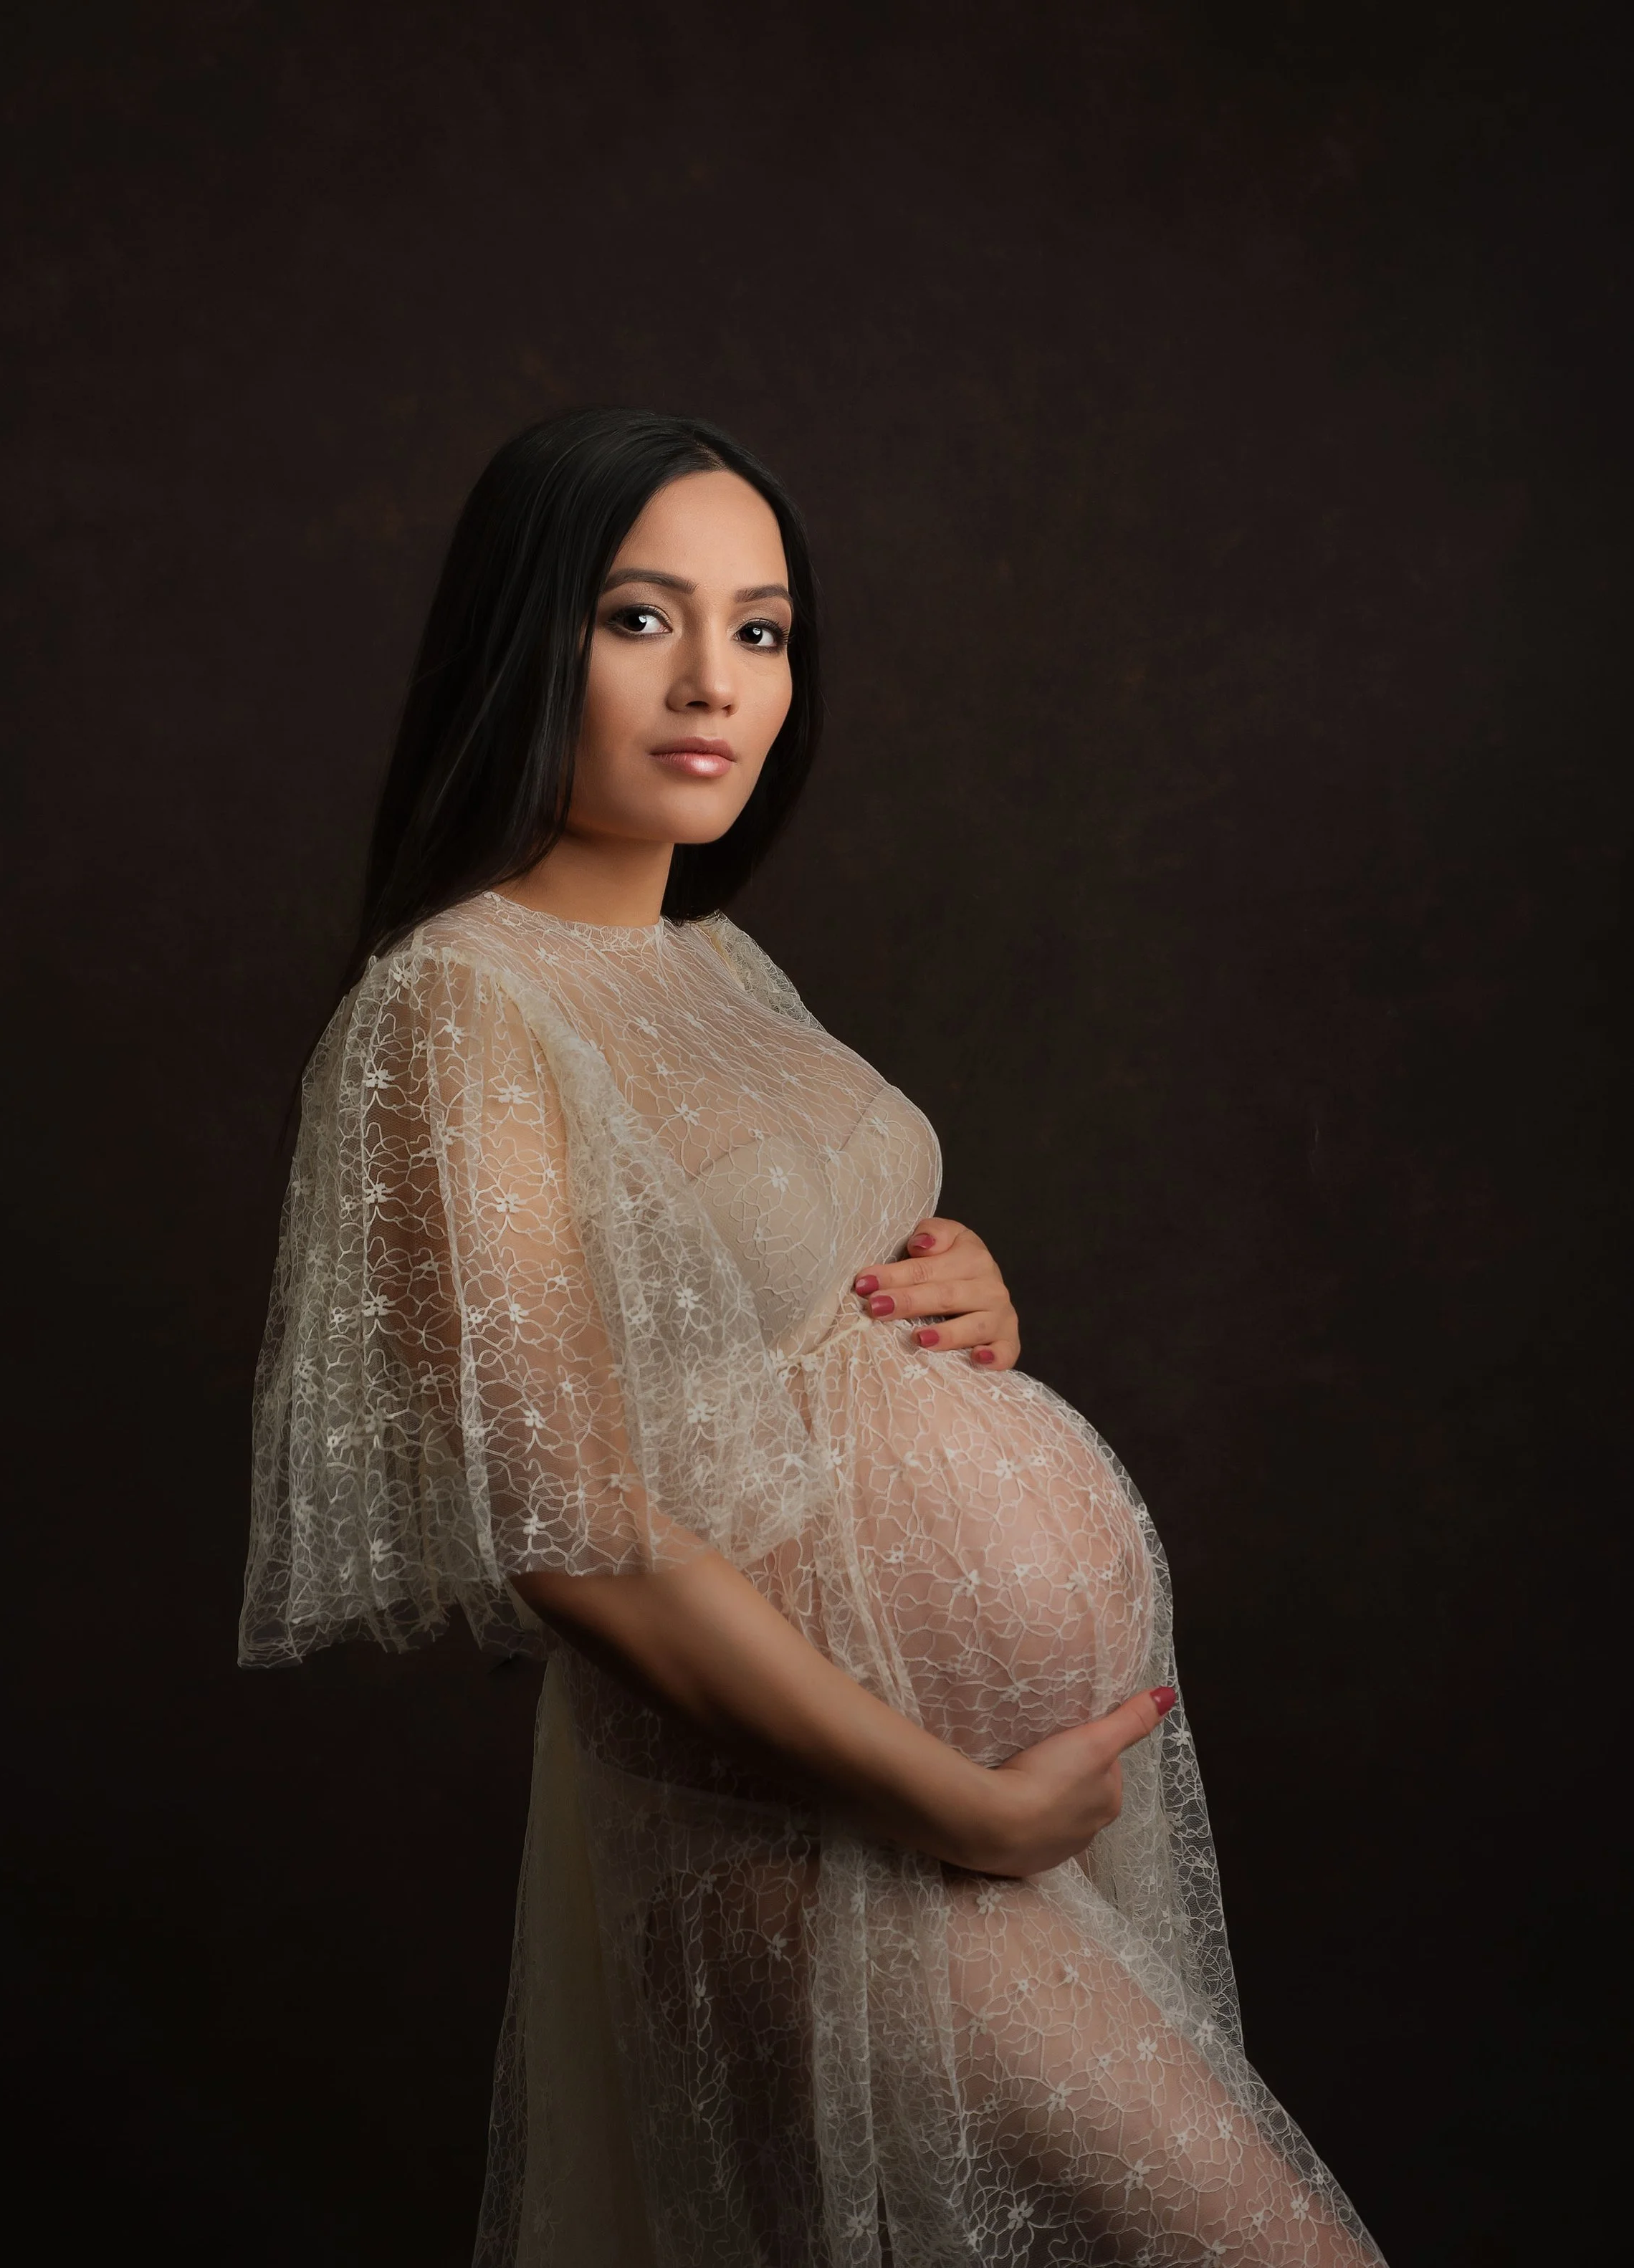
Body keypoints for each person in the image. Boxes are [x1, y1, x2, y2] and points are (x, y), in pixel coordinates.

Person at [241, 408, 1385, 2266]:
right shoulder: (458, 1005)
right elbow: (564, 1526)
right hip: (805, 1824)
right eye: (641, 618)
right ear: (522, 637)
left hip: (955, 1802)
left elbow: (761, 1301)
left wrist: (957, 1288)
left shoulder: (713, 961)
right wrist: (959, 1803)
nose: (714, 681)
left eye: (761, 629)